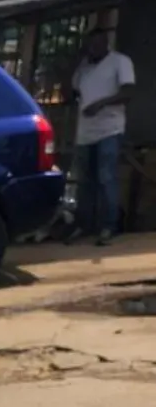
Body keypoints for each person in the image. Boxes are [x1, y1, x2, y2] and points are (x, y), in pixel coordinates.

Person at [68, 26, 135, 246]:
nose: (94, 49)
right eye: (91, 45)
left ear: (106, 43)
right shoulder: (84, 68)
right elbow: (73, 89)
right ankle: (83, 224)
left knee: (106, 177)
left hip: (109, 129)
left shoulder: (120, 62)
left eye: (98, 44)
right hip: (85, 132)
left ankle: (109, 225)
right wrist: (77, 60)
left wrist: (101, 104)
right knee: (85, 181)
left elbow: (128, 93)